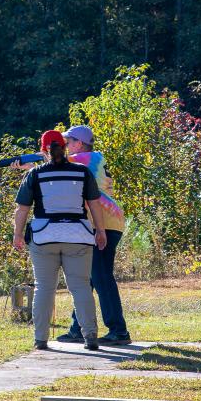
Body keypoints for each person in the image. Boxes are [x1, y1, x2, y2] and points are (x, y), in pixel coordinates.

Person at [13, 136, 107, 351]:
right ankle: (90, 336)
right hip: (78, 235)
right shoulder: (83, 172)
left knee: (44, 288)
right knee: (81, 286)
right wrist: (100, 231)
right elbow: (94, 204)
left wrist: (18, 234)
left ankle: (41, 339)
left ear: (43, 150)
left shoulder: (34, 174)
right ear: (65, 148)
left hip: (44, 236)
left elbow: (22, 209)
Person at [57, 125, 131, 345]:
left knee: (101, 276)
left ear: (79, 144)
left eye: (68, 142)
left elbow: (54, 166)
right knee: (86, 278)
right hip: (103, 221)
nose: (65, 147)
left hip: (103, 223)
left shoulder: (86, 158)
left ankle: (118, 330)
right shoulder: (88, 160)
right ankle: (78, 328)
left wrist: (31, 166)